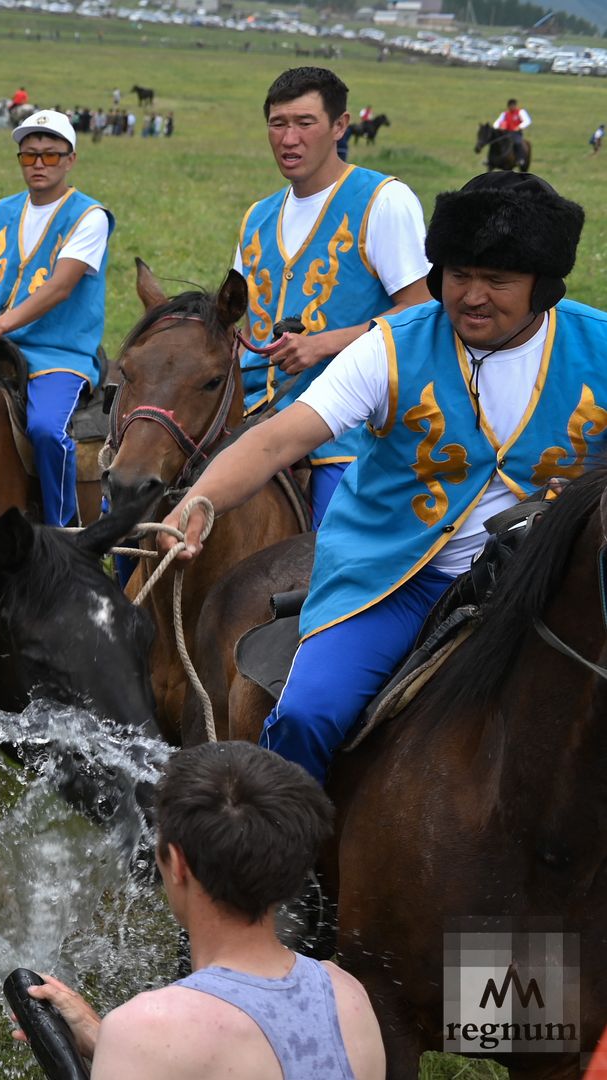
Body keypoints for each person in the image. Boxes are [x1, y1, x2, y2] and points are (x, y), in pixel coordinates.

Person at [167, 172, 597, 786]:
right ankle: (292, 868)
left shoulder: (600, 349)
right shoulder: (388, 346)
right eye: (458, 276)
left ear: (544, 288)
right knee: (307, 714)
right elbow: (278, 437)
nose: (472, 296)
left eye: (497, 281)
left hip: (550, 579)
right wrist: (200, 500)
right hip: (399, 578)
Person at [18, 742, 385, 1079]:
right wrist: (108, 1042)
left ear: (177, 864)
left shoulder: (146, 1030)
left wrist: (119, 1046)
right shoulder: (346, 996)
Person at [235, 68, 431, 525]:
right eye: (278, 123)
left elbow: (422, 309)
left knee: (326, 556)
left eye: (305, 123)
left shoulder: (383, 200)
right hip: (250, 415)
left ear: (340, 126)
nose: (289, 138)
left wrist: (321, 344)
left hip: (346, 426)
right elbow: (242, 325)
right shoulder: (257, 217)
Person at [0, 109, 112, 528]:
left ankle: (63, 529)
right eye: (29, 155)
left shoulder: (89, 216)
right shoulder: (1, 210)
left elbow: (59, 287)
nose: (39, 164)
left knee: (44, 430)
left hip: (57, 352)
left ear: (70, 159)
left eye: (51, 155)